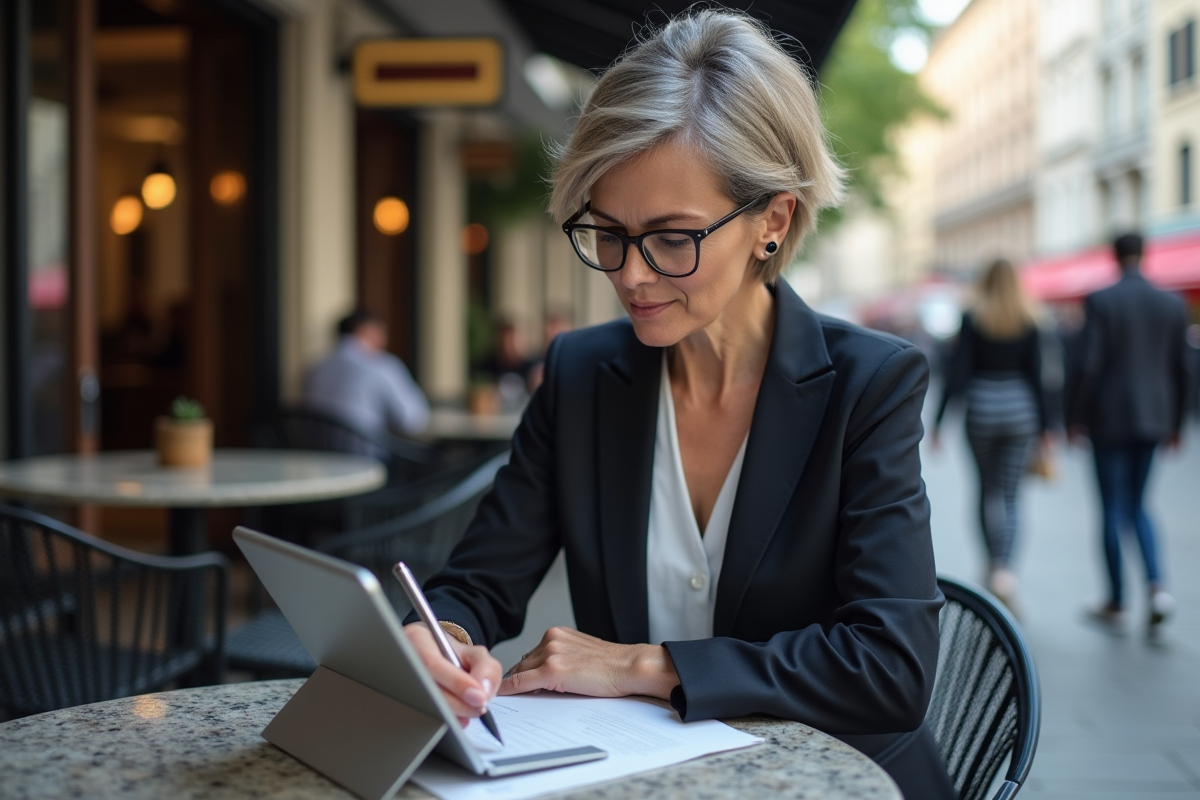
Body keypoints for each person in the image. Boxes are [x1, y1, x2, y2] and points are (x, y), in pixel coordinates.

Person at [401, 11, 953, 799]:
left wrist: (637, 666)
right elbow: (481, 580)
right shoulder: (582, 375)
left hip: (831, 781)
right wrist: (441, 636)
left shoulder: (870, 383)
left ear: (773, 218)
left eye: (671, 238)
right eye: (609, 232)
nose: (630, 275)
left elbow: (890, 669)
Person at [1068, 232, 1192, 638]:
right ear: (1145, 253)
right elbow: (1181, 369)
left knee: (1111, 507)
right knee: (1140, 505)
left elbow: (1089, 363)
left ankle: (1116, 598)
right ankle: (1157, 588)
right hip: (1154, 418)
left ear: (1114, 255)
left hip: (1109, 418)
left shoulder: (1101, 300)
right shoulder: (1172, 303)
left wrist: (1074, 416)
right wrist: (1176, 424)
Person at [932, 258, 1050, 614]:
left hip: (981, 408)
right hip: (1020, 410)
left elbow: (958, 371)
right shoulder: (1030, 319)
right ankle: (1005, 569)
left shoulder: (973, 317)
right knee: (1012, 495)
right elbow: (1040, 376)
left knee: (987, 491)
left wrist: (939, 422)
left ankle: (992, 564)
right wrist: (1047, 428)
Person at [303, 309, 430, 440]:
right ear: (363, 330)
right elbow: (411, 421)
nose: (384, 340)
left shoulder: (314, 368)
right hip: (367, 455)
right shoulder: (381, 365)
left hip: (319, 455)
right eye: (381, 332)